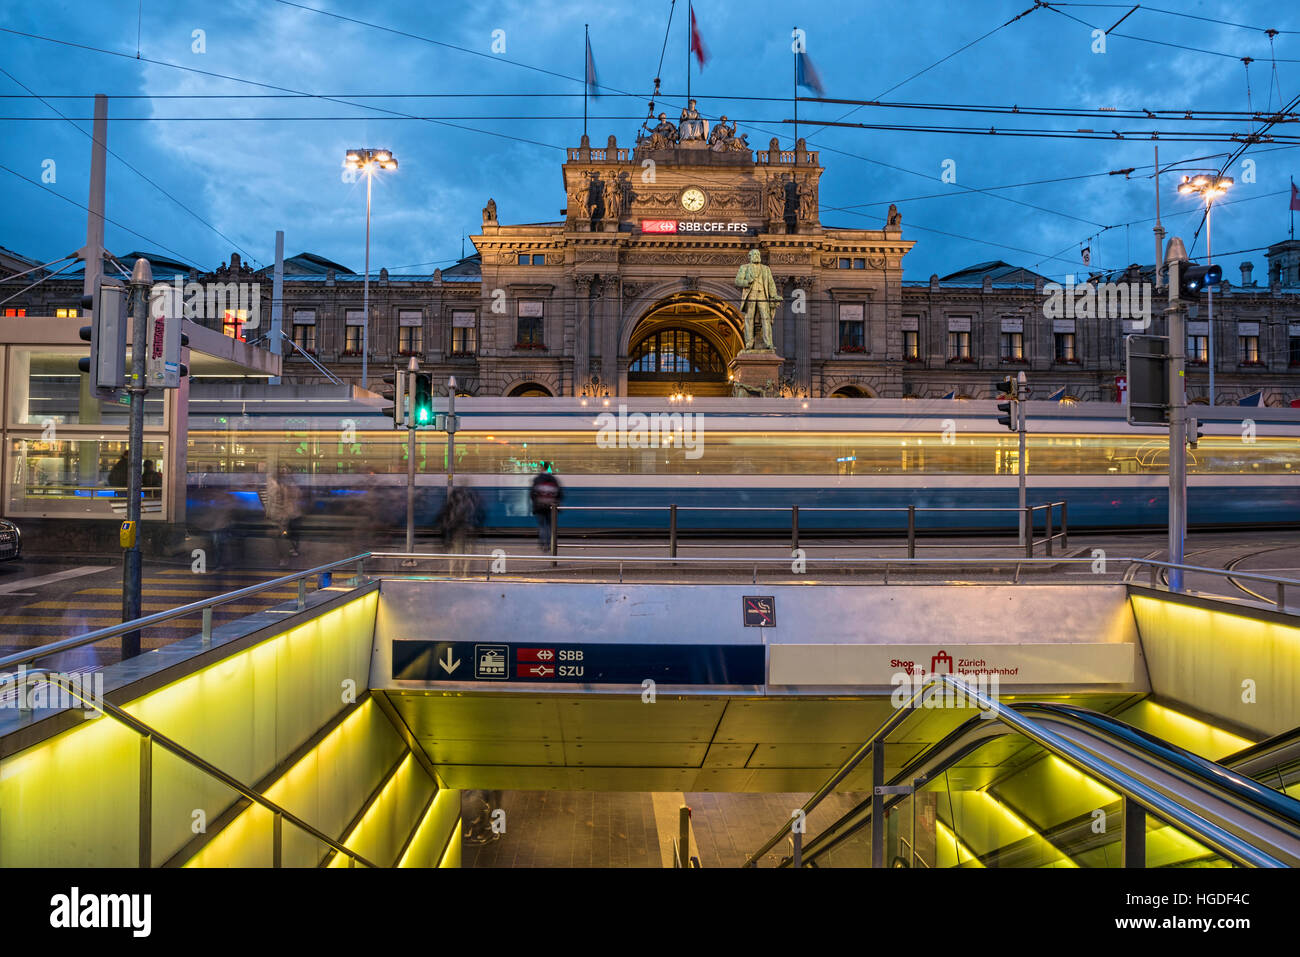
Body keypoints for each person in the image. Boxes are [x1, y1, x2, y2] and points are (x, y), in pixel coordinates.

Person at [435, 485, 480, 576]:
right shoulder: (471, 499)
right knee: (467, 552)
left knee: (455, 552)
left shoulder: (454, 500)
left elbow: (446, 515)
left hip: (457, 530)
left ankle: (453, 573)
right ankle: (464, 573)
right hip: (467, 529)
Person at [265, 466, 303, 567]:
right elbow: (272, 501)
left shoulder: (285, 486)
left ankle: (285, 556)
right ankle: (285, 555)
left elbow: (294, 497)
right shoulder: (274, 484)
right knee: (280, 537)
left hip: (283, 516)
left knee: (283, 536)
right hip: (277, 515)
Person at [530, 464, 563, 551]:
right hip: (551, 506)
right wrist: (556, 503)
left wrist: (535, 503)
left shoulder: (537, 479)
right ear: (549, 468)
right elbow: (560, 494)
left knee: (542, 526)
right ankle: (549, 544)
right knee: (549, 526)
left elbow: (532, 494)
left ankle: (542, 543)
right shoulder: (554, 479)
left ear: (542, 468)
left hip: (540, 506)